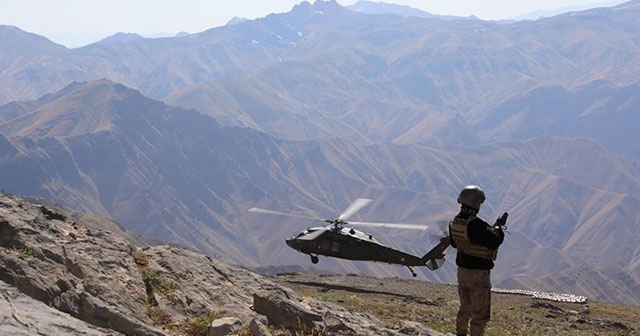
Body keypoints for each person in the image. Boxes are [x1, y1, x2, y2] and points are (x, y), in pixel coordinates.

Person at [449, 185, 506, 336]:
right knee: (480, 314)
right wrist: (499, 229)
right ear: (475, 203)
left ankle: (460, 333)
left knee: (465, 307)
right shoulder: (476, 224)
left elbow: (455, 243)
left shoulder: (455, 222)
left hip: (462, 272)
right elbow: (494, 241)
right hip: (478, 274)